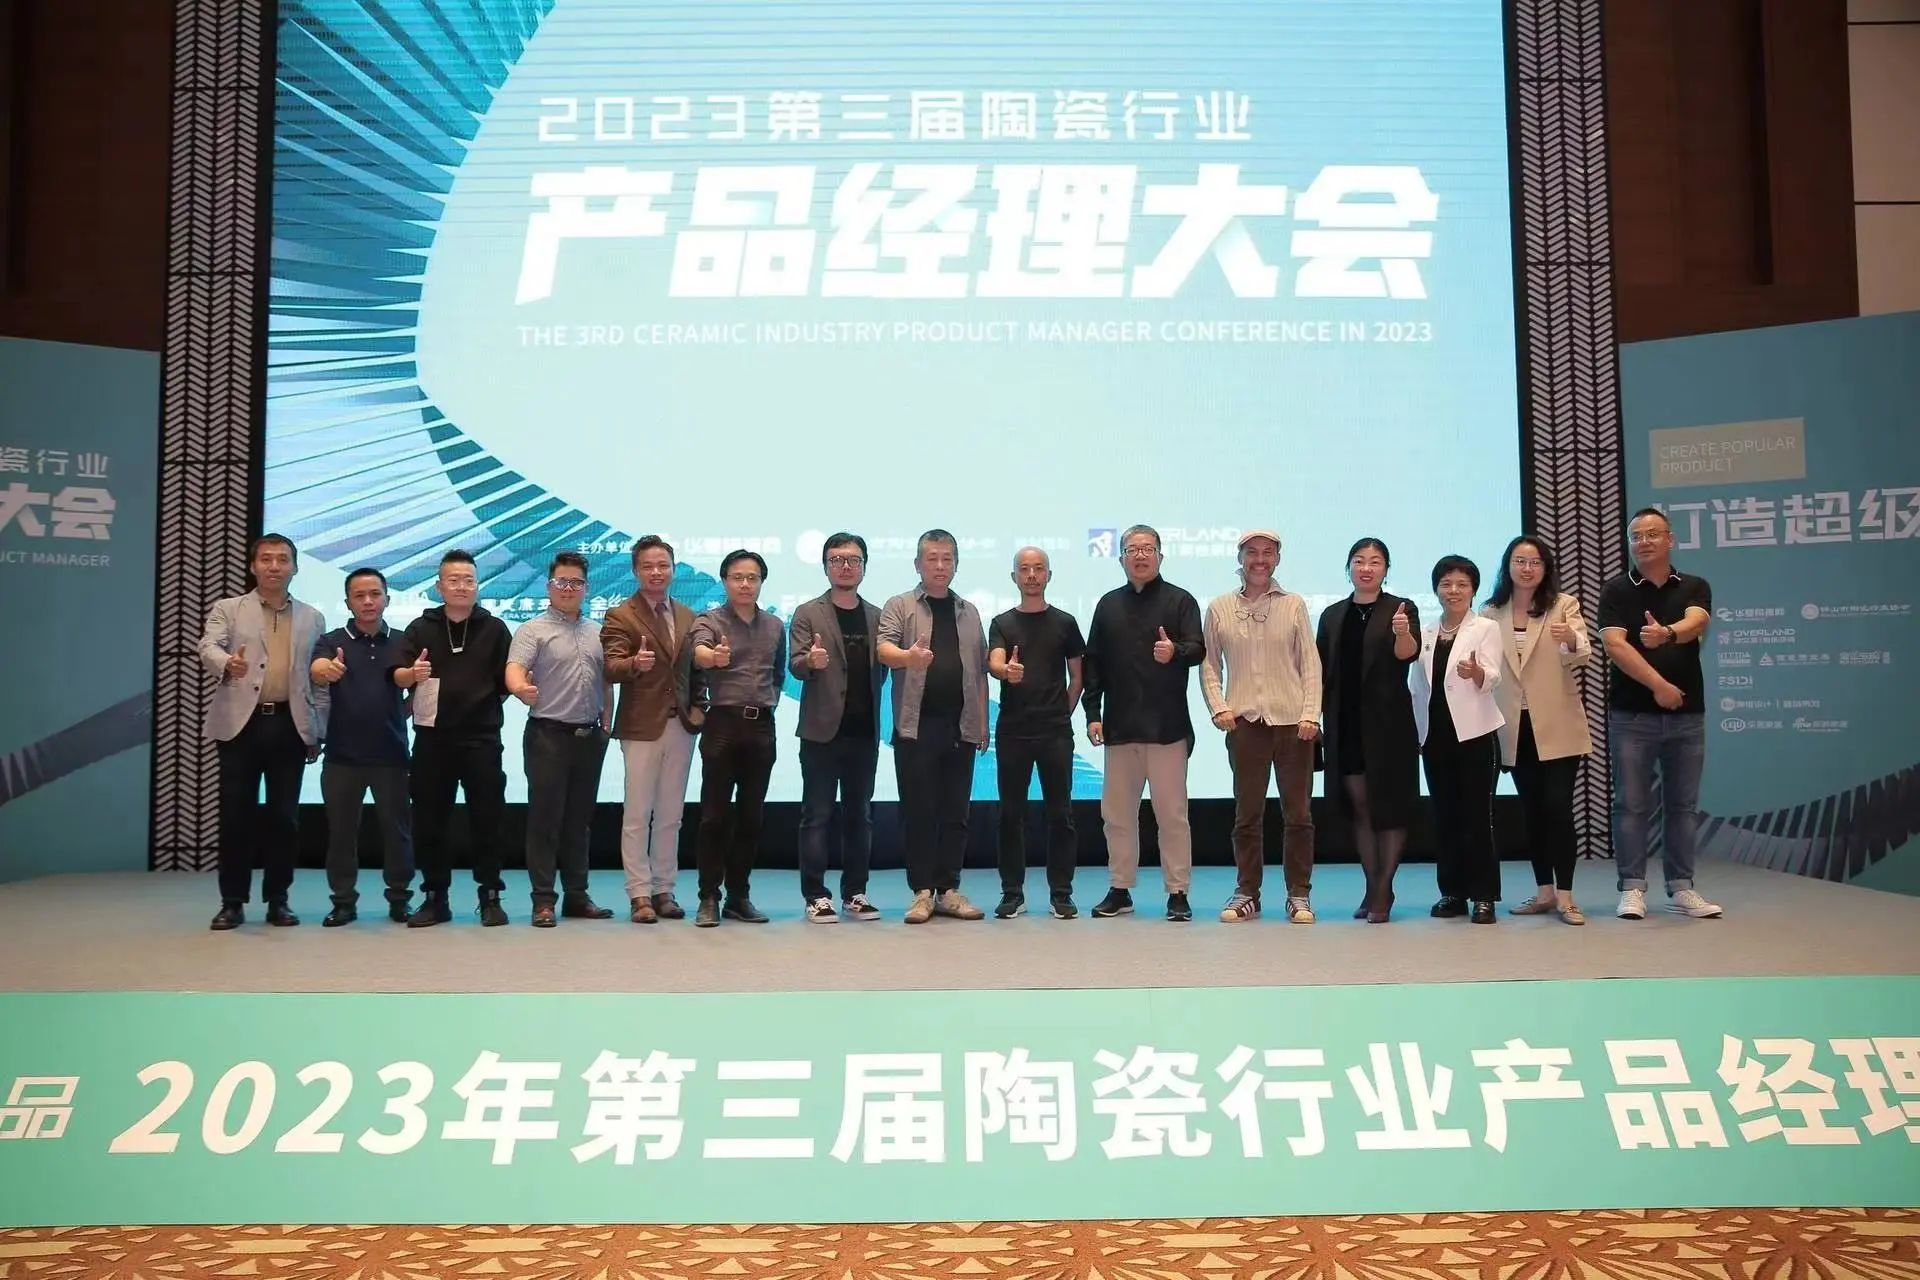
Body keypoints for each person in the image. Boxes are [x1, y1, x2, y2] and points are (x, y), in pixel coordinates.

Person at [1598, 507, 1722, 921]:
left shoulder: (1694, 585)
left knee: (1682, 805)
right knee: (1631, 804)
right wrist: (1659, 686)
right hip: (1632, 716)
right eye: (1636, 536)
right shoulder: (1616, 590)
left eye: (1653, 534)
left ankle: (1682, 887)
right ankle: (1632, 887)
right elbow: (1615, 645)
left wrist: (1667, 633)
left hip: (1687, 718)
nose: (1644, 542)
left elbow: (1697, 621)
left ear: (1670, 539)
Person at [199, 534, 326, 930]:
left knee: (284, 818)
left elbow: (316, 681)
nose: (274, 566)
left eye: (283, 559)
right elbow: (207, 646)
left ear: (295, 567)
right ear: (253, 566)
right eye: (266, 559)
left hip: (289, 724)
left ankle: (278, 900)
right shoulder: (228, 608)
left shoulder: (312, 617)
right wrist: (226, 663)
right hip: (241, 725)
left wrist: (316, 731)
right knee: (235, 815)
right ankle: (232, 902)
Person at [1081, 524, 1203, 922]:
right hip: (1120, 728)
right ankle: (1120, 889)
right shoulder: (1108, 605)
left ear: (1160, 556)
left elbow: (1198, 649)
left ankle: (1178, 892)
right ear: (1121, 558)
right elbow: (1093, 663)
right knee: (1117, 815)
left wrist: (1175, 651)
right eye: (1132, 549)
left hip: (1167, 729)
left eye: (1148, 548)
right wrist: (1093, 713)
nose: (1140, 555)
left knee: (1172, 815)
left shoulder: (1181, 600)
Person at [1201, 530, 1322, 924]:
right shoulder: (1219, 607)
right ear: (1240, 558)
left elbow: (1310, 663)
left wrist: (1311, 714)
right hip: (1245, 724)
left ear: (1277, 560)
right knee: (1247, 814)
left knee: (1298, 815)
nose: (1259, 559)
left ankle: (1299, 894)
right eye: (1251, 552)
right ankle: (1247, 892)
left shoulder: (1294, 604)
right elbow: (1210, 664)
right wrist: (1219, 707)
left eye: (1267, 553)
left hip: (1293, 725)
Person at [392, 550, 514, 927]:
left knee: (488, 820)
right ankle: (435, 898)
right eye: (453, 580)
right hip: (433, 742)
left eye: (468, 580)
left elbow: (505, 684)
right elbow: (399, 676)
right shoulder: (420, 628)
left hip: (481, 740)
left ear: (477, 586)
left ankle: (490, 896)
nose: (461, 586)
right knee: (430, 822)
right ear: (439, 586)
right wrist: (412, 675)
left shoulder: (495, 629)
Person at [877, 529, 990, 924]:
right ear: (917, 564)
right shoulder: (900, 605)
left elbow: (979, 671)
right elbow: (883, 649)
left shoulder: (969, 611)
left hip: (961, 725)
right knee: (919, 810)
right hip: (916, 726)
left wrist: (982, 721)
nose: (940, 566)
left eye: (947, 559)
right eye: (932, 558)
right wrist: (908, 657)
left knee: (956, 811)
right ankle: (922, 892)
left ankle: (949, 889)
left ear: (956, 565)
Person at [1482, 535, 1593, 925]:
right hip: (1514, 727)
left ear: (1545, 568)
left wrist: (1570, 640)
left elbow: (1582, 654)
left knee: (1558, 808)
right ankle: (1544, 891)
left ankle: (1567, 896)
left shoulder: (1563, 605)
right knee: (1531, 811)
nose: (1527, 568)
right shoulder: (1490, 611)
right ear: (1507, 566)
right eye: (1519, 561)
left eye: (1535, 562)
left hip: (1557, 724)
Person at [507, 551, 615, 928]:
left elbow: (606, 681)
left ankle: (577, 896)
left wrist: (607, 723)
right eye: (561, 582)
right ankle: (543, 900)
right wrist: (520, 689)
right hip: (548, 735)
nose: (568, 588)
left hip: (589, 737)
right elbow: (514, 668)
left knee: (579, 821)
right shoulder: (532, 630)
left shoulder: (599, 631)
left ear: (587, 588)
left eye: (576, 583)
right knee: (545, 820)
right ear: (548, 586)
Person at [1316, 537, 1420, 923]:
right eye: (1359, 561)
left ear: (1386, 570)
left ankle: (1382, 888)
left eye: (1375, 561)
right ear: (1348, 569)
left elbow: (1407, 654)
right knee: (1360, 806)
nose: (1366, 568)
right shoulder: (1332, 615)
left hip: (1389, 725)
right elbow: (1320, 671)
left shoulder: (1401, 609)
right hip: (1345, 723)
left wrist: (1402, 632)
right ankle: (1374, 884)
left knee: (1388, 807)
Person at [788, 533, 887, 923]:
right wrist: (809, 662)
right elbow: (795, 665)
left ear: (864, 566)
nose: (845, 566)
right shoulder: (807, 612)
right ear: (825, 566)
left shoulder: (878, 615)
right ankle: (816, 895)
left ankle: (855, 893)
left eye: (853, 560)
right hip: (821, 733)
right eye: (837, 559)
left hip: (864, 733)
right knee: (816, 816)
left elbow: (881, 671)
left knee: (860, 816)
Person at [602, 535, 700, 923]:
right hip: (641, 725)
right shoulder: (620, 615)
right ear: (635, 571)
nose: (656, 572)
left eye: (663, 565)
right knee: (638, 814)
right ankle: (639, 894)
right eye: (648, 566)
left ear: (673, 569)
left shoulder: (689, 616)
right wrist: (633, 665)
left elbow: (696, 672)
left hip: (681, 725)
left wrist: (700, 710)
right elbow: (610, 666)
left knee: (671, 814)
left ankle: (664, 889)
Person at [308, 566, 413, 926]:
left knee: (397, 833)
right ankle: (343, 902)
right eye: (359, 595)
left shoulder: (403, 641)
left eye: (375, 594)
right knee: (341, 835)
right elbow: (318, 668)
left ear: (387, 599)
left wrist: (400, 712)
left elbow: (418, 689)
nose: (368, 601)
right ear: (348, 602)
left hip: (391, 755)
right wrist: (325, 670)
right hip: (342, 757)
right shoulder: (332, 641)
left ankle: (399, 899)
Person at [689, 549, 787, 926]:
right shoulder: (710, 620)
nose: (745, 584)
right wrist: (711, 657)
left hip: (761, 726)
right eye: (737, 577)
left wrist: (767, 701)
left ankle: (738, 896)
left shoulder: (775, 625)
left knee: (751, 817)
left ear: (761, 582)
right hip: (722, 725)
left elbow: (778, 675)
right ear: (724, 581)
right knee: (713, 816)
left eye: (752, 578)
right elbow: (698, 652)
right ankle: (708, 896)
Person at [988, 546, 1086, 920]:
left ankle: (1061, 893)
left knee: (1061, 815)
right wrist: (1005, 672)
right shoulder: (1001, 623)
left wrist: (1062, 712)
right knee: (1010, 816)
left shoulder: (1065, 622)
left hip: (1055, 733)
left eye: (1039, 568)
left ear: (1048, 575)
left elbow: (1077, 677)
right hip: (1012, 732)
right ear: (1014, 576)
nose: (1031, 575)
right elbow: (995, 662)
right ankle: (1012, 892)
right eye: (1024, 569)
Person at [1410, 555, 1505, 924]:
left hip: (1474, 734)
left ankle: (1484, 895)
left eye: (1462, 584)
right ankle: (1452, 892)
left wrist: (1477, 672)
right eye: (1446, 584)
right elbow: (1418, 686)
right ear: (1436, 589)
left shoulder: (1485, 628)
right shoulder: (1426, 632)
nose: (1453, 591)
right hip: (1435, 737)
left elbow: (1493, 675)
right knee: (1445, 816)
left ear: (1473, 590)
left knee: (1477, 817)